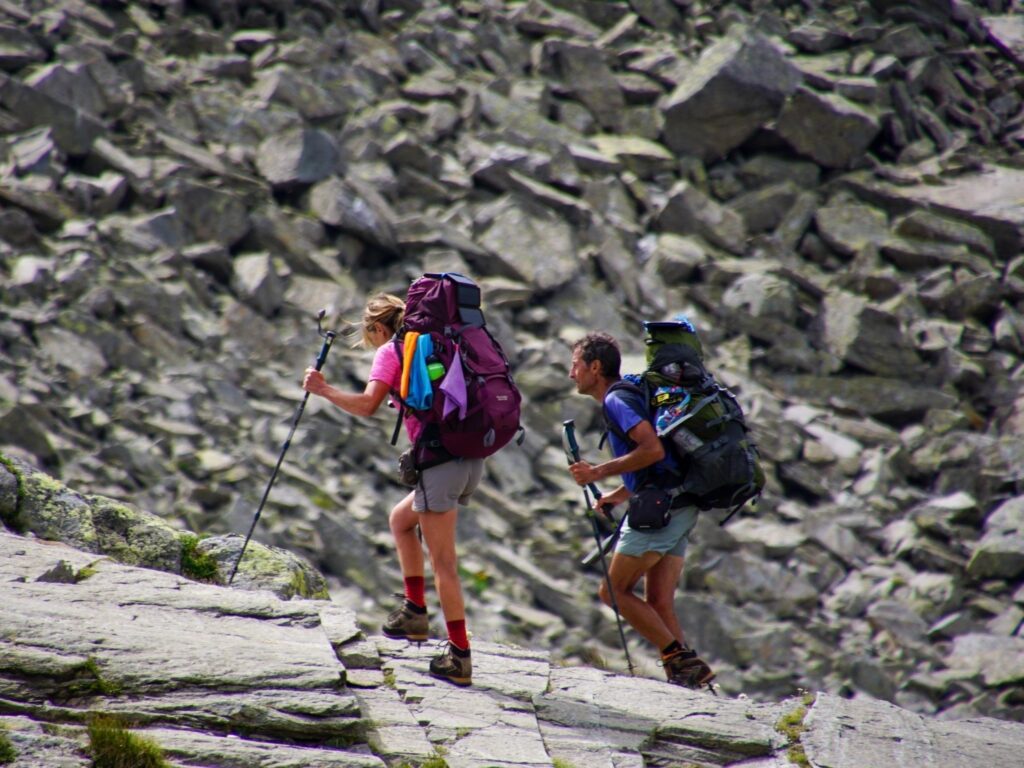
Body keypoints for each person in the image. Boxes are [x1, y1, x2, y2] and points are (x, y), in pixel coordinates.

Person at [302, 293, 480, 686]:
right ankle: (415, 612)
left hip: (440, 461)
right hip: (469, 458)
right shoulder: (440, 344)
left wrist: (324, 390)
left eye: (369, 336)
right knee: (401, 520)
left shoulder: (393, 350)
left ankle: (459, 656)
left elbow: (367, 406)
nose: (370, 344)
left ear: (377, 328)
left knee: (444, 565)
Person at [566, 331, 715, 689]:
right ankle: (689, 682)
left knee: (613, 592)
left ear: (595, 367)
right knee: (659, 601)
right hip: (679, 504)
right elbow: (656, 458)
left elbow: (652, 450)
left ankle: (681, 662)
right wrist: (619, 493)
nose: (571, 374)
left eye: (575, 365)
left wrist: (597, 472)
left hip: (659, 510)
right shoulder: (631, 395)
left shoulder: (616, 400)